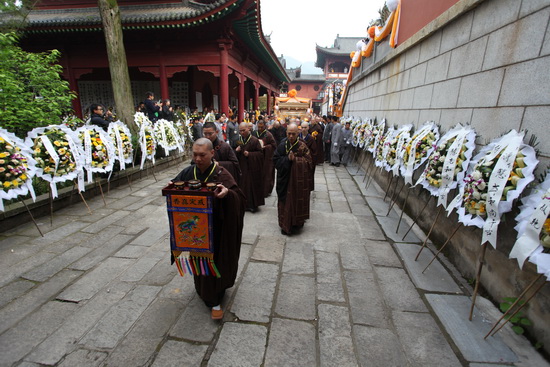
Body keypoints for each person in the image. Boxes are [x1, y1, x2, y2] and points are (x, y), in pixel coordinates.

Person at [171, 138, 245, 320]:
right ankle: (205, 292)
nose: (197, 159)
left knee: (217, 263)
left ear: (212, 154)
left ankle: (215, 297)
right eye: (194, 154)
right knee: (199, 262)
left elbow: (239, 197)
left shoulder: (221, 174)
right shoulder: (189, 172)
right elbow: (173, 187)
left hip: (218, 230)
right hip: (197, 231)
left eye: (202, 155)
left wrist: (228, 195)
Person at [273, 123, 313, 235]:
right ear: (286, 133)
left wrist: (295, 160)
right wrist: (287, 160)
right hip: (284, 180)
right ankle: (284, 225)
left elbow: (309, 162)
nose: (291, 136)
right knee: (284, 202)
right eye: (289, 133)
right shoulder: (282, 145)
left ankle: (297, 223)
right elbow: (275, 160)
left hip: (298, 182)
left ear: (298, 133)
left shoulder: (302, 146)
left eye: (293, 134)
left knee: (297, 200)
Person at [235, 122, 265, 212]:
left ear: (248, 129)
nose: (242, 132)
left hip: (253, 168)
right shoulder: (239, 140)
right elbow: (233, 152)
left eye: (243, 130)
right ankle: (244, 204)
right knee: (243, 186)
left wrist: (250, 154)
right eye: (240, 131)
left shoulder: (254, 140)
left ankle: (252, 205)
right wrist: (236, 151)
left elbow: (260, 154)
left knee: (251, 186)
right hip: (242, 166)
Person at [252, 120, 277, 197]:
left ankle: (265, 191)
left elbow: (273, 145)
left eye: (261, 127)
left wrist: (266, 147)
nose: (260, 128)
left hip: (266, 158)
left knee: (266, 174)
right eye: (258, 127)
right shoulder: (254, 134)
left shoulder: (268, 135)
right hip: (257, 158)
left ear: (265, 126)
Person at [300, 122, 317, 192]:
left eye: (305, 127)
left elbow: (314, 151)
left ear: (308, 128)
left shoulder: (311, 138)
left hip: (307, 161)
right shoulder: (298, 137)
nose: (304, 129)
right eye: (302, 127)